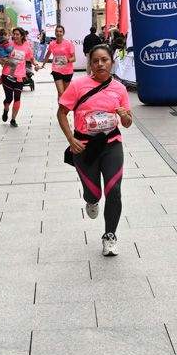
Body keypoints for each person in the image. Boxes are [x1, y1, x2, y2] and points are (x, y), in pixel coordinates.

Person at [58, 45, 135, 257]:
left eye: (104, 60)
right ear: (90, 64)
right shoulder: (78, 85)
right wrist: (71, 139)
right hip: (84, 147)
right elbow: (61, 113)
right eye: (95, 61)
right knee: (94, 193)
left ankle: (110, 236)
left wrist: (124, 116)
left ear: (112, 62)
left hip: (111, 144)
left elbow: (127, 123)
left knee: (114, 190)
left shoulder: (119, 89)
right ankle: (91, 200)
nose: (100, 64)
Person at [0, 27, 34, 127]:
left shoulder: (26, 46)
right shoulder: (8, 44)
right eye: (14, 34)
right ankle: (6, 109)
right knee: (9, 98)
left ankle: (13, 119)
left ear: (22, 36)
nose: (15, 36)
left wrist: (36, 64)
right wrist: (3, 60)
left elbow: (31, 58)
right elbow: (1, 55)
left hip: (19, 76)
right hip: (7, 74)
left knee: (17, 98)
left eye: (17, 34)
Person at [48, 23, 77, 98]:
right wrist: (42, 64)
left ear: (63, 33)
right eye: (57, 31)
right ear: (55, 33)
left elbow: (74, 58)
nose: (58, 33)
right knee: (60, 92)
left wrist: (67, 60)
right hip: (56, 70)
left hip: (67, 71)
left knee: (65, 93)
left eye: (60, 31)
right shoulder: (52, 44)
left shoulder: (68, 43)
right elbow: (48, 54)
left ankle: (62, 105)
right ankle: (60, 105)